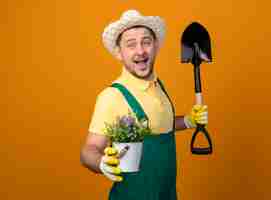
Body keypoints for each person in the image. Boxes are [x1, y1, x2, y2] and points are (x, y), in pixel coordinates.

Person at [80, 10, 208, 200]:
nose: (140, 51)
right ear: (119, 52)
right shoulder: (112, 97)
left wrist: (188, 121)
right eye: (131, 45)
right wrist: (101, 162)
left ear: (155, 46)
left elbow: (161, 125)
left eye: (146, 42)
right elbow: (88, 150)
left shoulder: (159, 87)